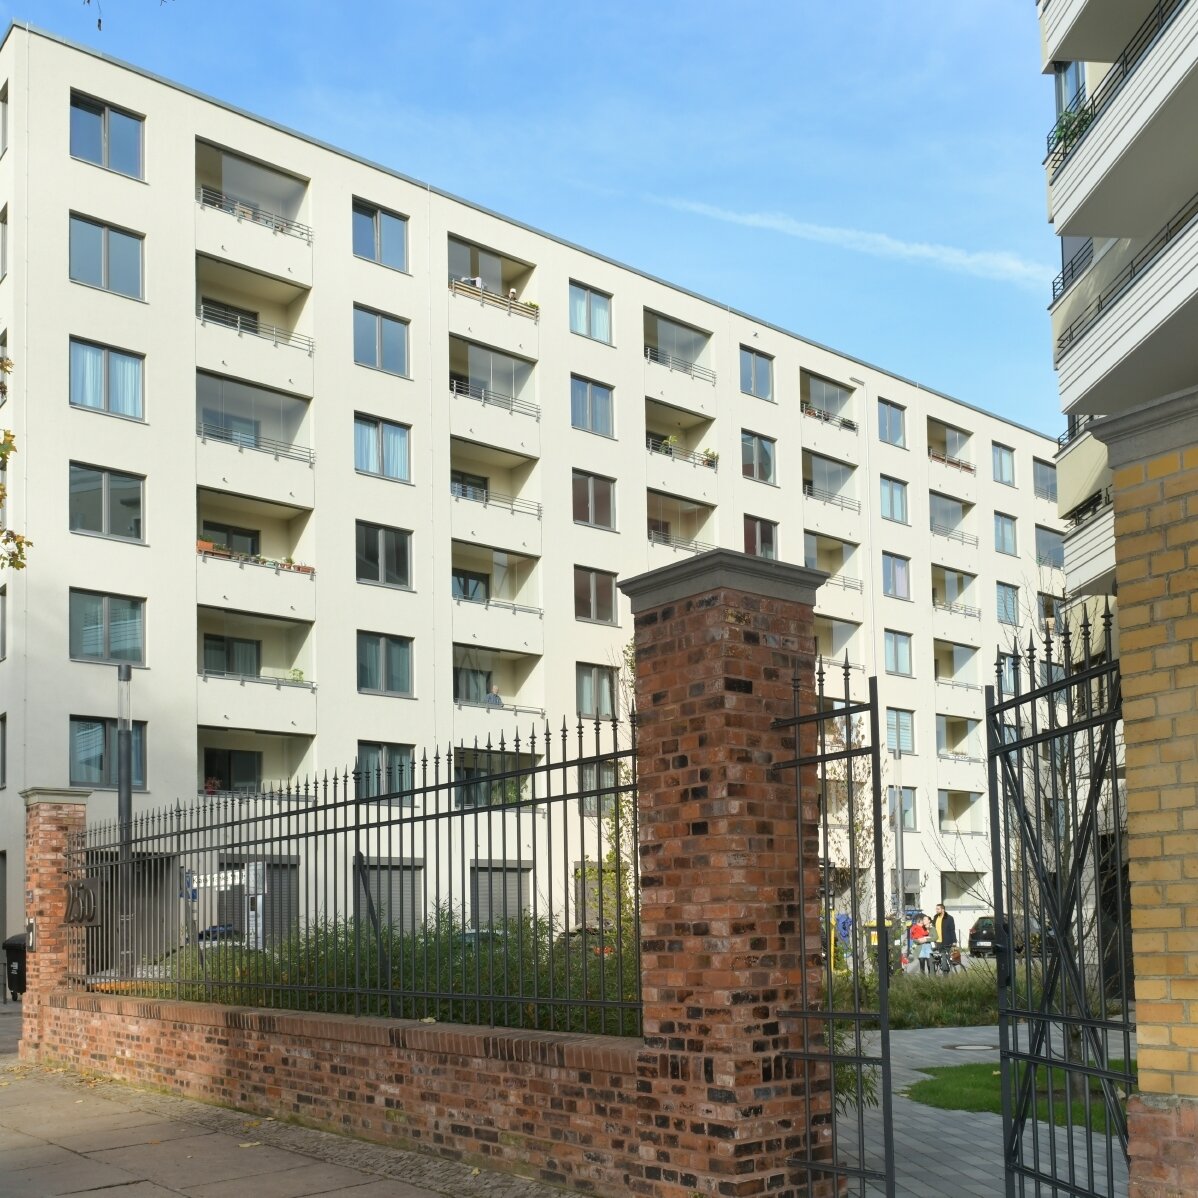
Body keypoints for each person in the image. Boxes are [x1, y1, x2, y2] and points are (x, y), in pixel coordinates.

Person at [933, 903, 956, 973]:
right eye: (936, 909)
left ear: (942, 909)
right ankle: (945, 972)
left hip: (947, 941)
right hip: (938, 942)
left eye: (938, 909)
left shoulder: (949, 918)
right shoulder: (935, 917)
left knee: (946, 958)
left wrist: (954, 941)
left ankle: (946, 973)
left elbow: (952, 930)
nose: (936, 910)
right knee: (942, 958)